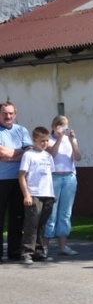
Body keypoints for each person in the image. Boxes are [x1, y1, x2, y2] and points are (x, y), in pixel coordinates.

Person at [44, 116, 82, 256]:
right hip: (54, 176)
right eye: (58, 126)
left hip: (69, 177)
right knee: (51, 213)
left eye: (64, 126)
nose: (61, 129)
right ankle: (45, 247)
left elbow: (77, 157)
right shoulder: (48, 140)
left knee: (65, 213)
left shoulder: (70, 140)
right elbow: (51, 155)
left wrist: (72, 141)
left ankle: (63, 246)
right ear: (53, 127)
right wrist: (59, 138)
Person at [18, 127, 55, 265]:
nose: (44, 143)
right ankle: (27, 253)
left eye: (46, 140)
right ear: (34, 140)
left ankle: (39, 252)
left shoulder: (48, 156)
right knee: (31, 225)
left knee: (41, 225)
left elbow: (50, 175)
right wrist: (26, 195)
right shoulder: (29, 155)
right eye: (42, 141)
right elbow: (22, 175)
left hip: (48, 194)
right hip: (34, 194)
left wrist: (52, 194)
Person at [0, 102, 32, 262]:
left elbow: (29, 151)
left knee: (17, 217)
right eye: (5, 113)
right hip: (1, 180)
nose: (8, 116)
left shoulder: (22, 131)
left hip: (19, 180)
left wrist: (10, 154)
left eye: (11, 113)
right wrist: (19, 153)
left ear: (15, 114)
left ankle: (14, 251)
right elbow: (0, 154)